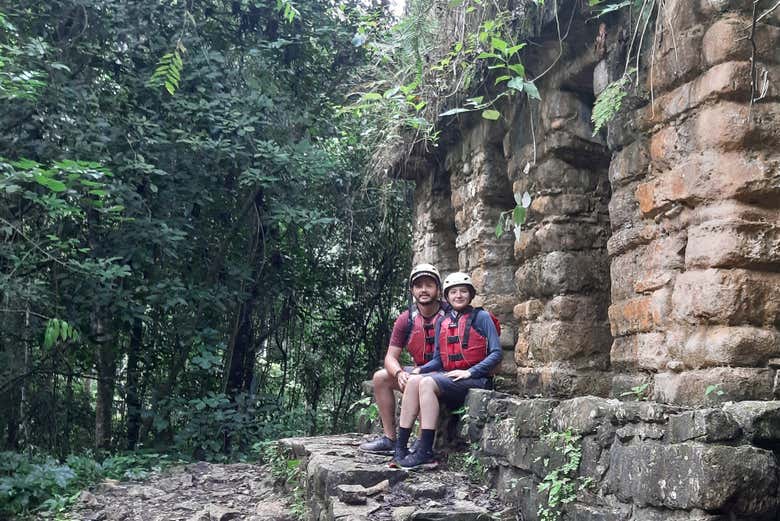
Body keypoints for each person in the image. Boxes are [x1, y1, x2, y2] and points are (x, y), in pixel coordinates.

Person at [392, 272, 502, 469]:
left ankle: (425, 450)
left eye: (463, 291)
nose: (458, 295)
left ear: (470, 294)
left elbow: (496, 353)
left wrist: (470, 372)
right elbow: (438, 359)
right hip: (452, 378)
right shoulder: (443, 321)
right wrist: (420, 369)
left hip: (477, 379)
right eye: (453, 292)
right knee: (416, 380)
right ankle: (400, 447)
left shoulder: (482, 317)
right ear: (447, 296)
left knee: (427, 382)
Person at [359, 263, 448, 454]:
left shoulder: (450, 314)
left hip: (443, 373)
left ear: (438, 289)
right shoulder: (406, 319)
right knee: (381, 377)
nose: (423, 290)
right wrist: (399, 372)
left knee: (420, 381)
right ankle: (390, 439)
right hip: (417, 370)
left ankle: (422, 442)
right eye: (418, 286)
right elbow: (391, 356)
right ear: (412, 290)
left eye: (429, 285)